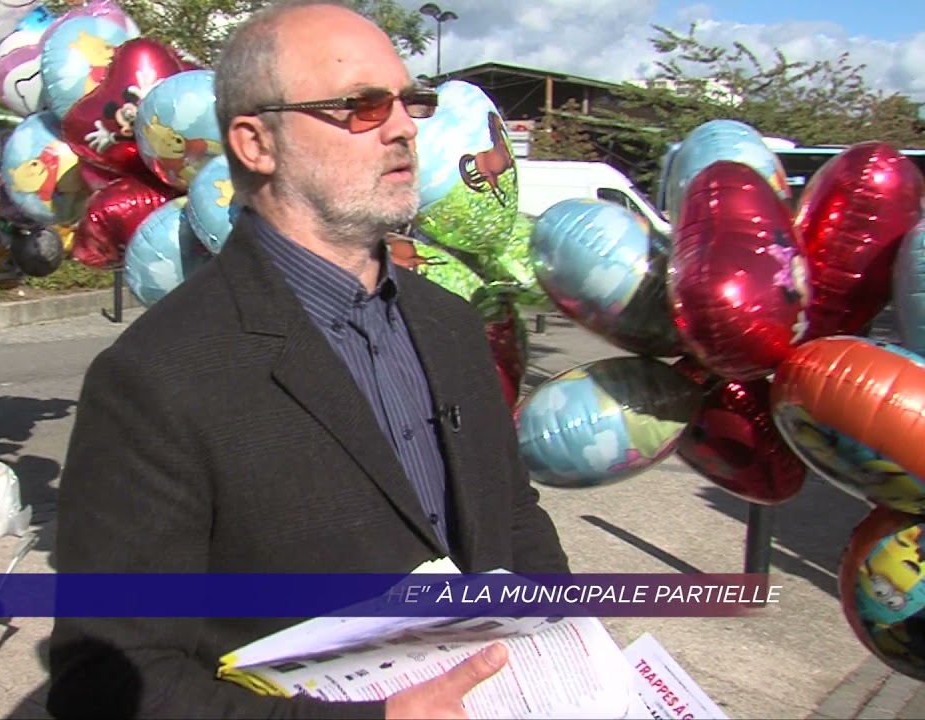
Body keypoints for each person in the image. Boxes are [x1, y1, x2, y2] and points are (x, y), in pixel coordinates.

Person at [46, 2, 571, 718]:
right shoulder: (156, 376)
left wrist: (563, 651)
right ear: (256, 143)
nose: (403, 128)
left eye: (410, 102)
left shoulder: (451, 323)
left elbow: (513, 516)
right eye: (360, 106)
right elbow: (107, 681)